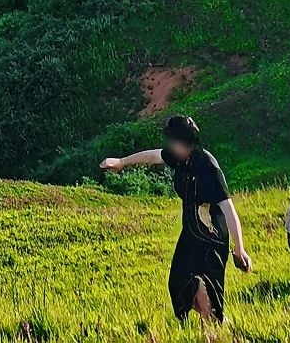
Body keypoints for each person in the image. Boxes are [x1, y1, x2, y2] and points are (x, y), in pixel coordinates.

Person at [101, 115, 250, 327]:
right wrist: (122, 162)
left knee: (207, 285)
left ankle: (215, 327)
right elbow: (154, 156)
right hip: (190, 231)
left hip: (211, 236)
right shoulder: (178, 157)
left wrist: (239, 249)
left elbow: (229, 209)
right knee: (179, 282)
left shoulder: (207, 166)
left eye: (174, 143)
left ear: (186, 142)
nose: (171, 148)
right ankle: (215, 323)